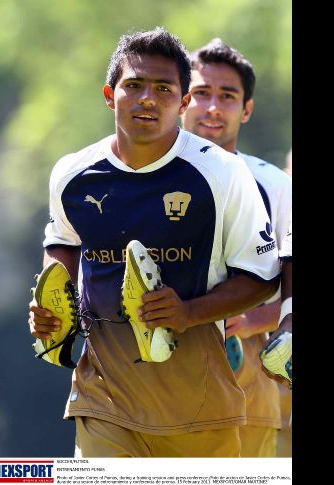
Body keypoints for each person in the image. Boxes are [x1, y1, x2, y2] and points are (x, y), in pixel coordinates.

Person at [27, 28, 281, 458]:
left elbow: (261, 278)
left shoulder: (221, 174)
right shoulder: (73, 174)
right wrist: (53, 304)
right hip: (102, 401)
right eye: (134, 85)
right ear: (110, 94)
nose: (147, 98)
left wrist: (188, 312)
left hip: (201, 408)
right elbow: (63, 244)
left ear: (182, 103)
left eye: (164, 89)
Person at [180, 38, 292, 457]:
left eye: (227, 96)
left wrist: (251, 320)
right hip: (145, 378)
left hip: (247, 377)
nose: (212, 107)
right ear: (181, 99)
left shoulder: (276, 186)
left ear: (246, 109)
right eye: (202, 93)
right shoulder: (134, 175)